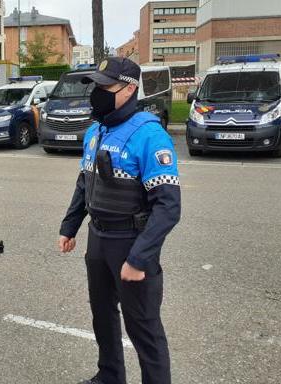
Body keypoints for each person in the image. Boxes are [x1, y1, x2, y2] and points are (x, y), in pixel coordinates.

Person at [58, 57, 181, 384]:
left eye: (105, 87)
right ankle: (109, 375)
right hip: (98, 240)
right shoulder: (95, 131)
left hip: (131, 243)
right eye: (95, 86)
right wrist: (69, 226)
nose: (97, 93)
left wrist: (140, 258)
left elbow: (168, 206)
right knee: (103, 317)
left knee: (144, 328)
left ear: (130, 89)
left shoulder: (150, 135)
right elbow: (84, 181)